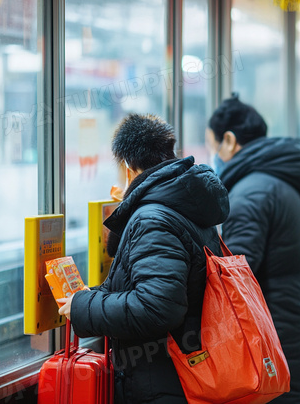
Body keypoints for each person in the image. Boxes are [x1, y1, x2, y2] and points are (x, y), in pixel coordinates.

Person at [59, 114, 230, 404]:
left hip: (164, 382)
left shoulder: (153, 218)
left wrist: (83, 306)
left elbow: (157, 307)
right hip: (188, 373)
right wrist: (95, 295)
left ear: (128, 168)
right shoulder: (185, 206)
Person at [206, 94, 300, 404]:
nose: (213, 156)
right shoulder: (282, 182)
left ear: (229, 141)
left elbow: (236, 286)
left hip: (270, 350)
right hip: (294, 337)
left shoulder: (251, 194)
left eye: (212, 146)